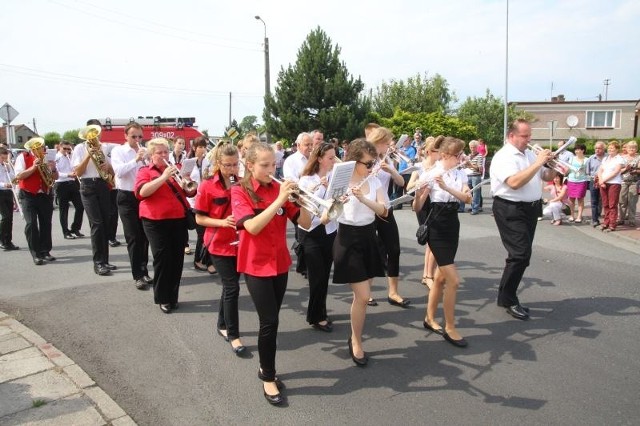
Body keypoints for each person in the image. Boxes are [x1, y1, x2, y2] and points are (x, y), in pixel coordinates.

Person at [231, 142, 312, 405]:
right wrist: (279, 199)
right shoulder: (239, 191)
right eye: (264, 165)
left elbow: (304, 223)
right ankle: (268, 376)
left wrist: (305, 200)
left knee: (273, 318)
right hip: (255, 264)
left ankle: (265, 367)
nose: (270, 169)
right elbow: (252, 227)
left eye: (273, 164)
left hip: (279, 263)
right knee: (269, 321)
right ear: (250, 165)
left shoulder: (278, 188)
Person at [490, 119, 555, 320]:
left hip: (530, 208)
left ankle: (504, 295)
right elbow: (515, 182)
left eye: (529, 135)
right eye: (524, 136)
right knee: (520, 254)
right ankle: (508, 299)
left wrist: (552, 165)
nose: (529, 140)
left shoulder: (528, 154)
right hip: (510, 207)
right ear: (511, 136)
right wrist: (538, 162)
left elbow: (546, 176)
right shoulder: (504, 156)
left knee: (521, 254)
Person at [332, 139, 388, 367]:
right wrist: (338, 201)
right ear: (354, 162)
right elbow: (327, 213)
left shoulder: (374, 181)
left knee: (361, 299)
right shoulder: (340, 182)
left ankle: (355, 336)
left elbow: (384, 210)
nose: (372, 166)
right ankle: (356, 340)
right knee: (364, 296)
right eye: (368, 163)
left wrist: (364, 198)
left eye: (373, 162)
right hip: (347, 239)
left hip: (369, 238)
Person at [413, 136, 471, 347]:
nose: (460, 158)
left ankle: (429, 318)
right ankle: (450, 327)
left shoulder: (460, 173)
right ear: (446, 155)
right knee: (453, 280)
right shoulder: (432, 173)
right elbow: (417, 207)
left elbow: (467, 199)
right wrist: (421, 191)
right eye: (457, 155)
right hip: (436, 226)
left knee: (439, 279)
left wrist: (447, 188)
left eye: (461, 154)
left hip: (452, 224)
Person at [195, 143, 246, 355]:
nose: (232, 169)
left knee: (229, 287)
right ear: (218, 164)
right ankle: (234, 335)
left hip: (239, 243)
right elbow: (199, 217)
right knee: (233, 287)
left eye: (235, 165)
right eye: (227, 165)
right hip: (217, 243)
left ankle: (222, 324)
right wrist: (222, 222)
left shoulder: (241, 183)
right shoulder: (207, 185)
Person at [136, 138, 196, 313]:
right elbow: (142, 192)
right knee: (162, 258)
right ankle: (163, 298)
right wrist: (163, 177)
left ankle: (173, 296)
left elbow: (187, 191)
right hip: (154, 220)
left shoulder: (175, 169)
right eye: (159, 153)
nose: (163, 156)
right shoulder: (145, 171)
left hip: (177, 218)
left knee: (177, 259)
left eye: (165, 152)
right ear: (151, 155)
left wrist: (190, 186)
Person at [298, 142, 338, 332]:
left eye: (334, 156)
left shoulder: (334, 176)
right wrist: (317, 187)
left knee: (324, 275)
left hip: (329, 229)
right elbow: (303, 203)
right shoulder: (306, 179)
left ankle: (320, 312)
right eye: (330, 157)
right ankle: (316, 316)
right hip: (311, 231)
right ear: (320, 159)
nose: (333, 160)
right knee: (317, 276)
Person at [368, 127, 409, 307]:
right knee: (370, 251)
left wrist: (391, 171)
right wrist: (373, 172)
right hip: (368, 210)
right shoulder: (366, 159)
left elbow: (401, 182)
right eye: (387, 142)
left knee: (394, 249)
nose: (389, 145)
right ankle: (366, 292)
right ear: (379, 142)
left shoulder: (387, 159)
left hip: (385, 208)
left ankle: (393, 292)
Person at [73, 121, 117, 276]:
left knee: (105, 223)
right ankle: (98, 263)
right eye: (91, 133)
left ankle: (104, 261)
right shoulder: (79, 148)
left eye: (96, 133)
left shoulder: (104, 147)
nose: (94, 136)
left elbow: (112, 169)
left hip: (103, 184)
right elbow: (77, 172)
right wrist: (88, 155)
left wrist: (108, 166)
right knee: (97, 224)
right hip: (87, 186)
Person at [111, 122, 152, 290]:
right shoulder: (118, 151)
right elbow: (119, 172)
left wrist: (148, 159)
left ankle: (144, 269)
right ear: (126, 136)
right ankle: (137, 275)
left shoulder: (145, 151)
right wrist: (136, 160)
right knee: (133, 237)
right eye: (133, 136)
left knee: (144, 236)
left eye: (140, 136)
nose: (137, 139)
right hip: (126, 196)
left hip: (143, 196)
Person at [14, 138, 58, 265]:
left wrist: (53, 168)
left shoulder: (47, 158)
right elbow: (19, 176)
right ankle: (36, 253)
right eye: (38, 147)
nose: (41, 149)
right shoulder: (23, 157)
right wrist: (34, 167)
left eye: (42, 147)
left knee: (46, 223)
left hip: (44, 194)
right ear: (32, 148)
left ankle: (45, 251)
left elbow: (55, 177)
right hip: (28, 194)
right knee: (31, 224)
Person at [407, 136, 441, 288]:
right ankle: (428, 274)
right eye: (435, 151)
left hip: (437, 203)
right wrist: (419, 183)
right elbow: (408, 187)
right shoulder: (419, 166)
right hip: (423, 202)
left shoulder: (441, 166)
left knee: (433, 241)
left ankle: (428, 274)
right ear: (428, 151)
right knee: (430, 239)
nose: (439, 153)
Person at [283, 132, 313, 277]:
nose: (310, 147)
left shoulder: (314, 159)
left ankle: (306, 264)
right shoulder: (291, 161)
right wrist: (305, 176)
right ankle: (304, 265)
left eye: (311, 144)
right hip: (299, 201)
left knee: (311, 233)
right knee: (301, 235)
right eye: (307, 144)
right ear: (298, 145)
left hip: (313, 200)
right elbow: (291, 181)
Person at [188, 137, 215, 274]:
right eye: (200, 147)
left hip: (206, 200)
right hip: (193, 202)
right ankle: (198, 260)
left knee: (208, 233)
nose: (203, 149)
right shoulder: (188, 163)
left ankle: (207, 261)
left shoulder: (208, 162)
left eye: (204, 147)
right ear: (194, 148)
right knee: (201, 234)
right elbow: (185, 180)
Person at [596, 141, 624, 232]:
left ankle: (612, 224)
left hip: (614, 183)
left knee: (612, 205)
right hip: (603, 183)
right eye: (609, 148)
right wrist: (600, 180)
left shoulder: (619, 159)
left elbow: (616, 172)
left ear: (617, 149)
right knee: (605, 204)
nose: (610, 150)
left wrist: (603, 180)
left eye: (612, 148)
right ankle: (606, 222)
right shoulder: (605, 158)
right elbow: (600, 170)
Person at [0, 147, 19, 251]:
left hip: (8, 192)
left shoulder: (7, 166)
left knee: (10, 218)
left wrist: (9, 170)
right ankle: (2, 240)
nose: (4, 160)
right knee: (5, 217)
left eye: (5, 158)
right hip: (0, 192)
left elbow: (13, 178)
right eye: (2, 158)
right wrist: (4, 184)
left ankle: (8, 241)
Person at [565, 143, 589, 223]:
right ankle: (572, 215)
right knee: (571, 199)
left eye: (578, 149)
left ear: (583, 150)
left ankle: (579, 216)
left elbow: (588, 171)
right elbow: (567, 169)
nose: (576, 151)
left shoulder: (586, 160)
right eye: (575, 149)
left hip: (582, 181)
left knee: (580, 199)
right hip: (571, 180)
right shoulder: (572, 159)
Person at [618, 141, 639, 227]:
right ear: (626, 149)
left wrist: (635, 171)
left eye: (633, 148)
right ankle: (621, 219)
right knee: (622, 201)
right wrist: (625, 169)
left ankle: (632, 220)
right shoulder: (622, 158)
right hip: (623, 182)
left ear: (636, 149)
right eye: (629, 147)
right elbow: (617, 170)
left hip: (634, 182)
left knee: (632, 202)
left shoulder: (639, 158)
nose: (631, 149)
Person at [586, 141, 606, 227]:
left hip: (605, 181)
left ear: (603, 149)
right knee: (594, 201)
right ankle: (595, 219)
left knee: (604, 201)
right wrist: (593, 178)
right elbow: (587, 171)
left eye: (599, 148)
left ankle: (604, 218)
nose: (597, 150)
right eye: (596, 148)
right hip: (593, 181)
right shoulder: (591, 158)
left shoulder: (608, 158)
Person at [466, 140, 485, 215]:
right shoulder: (469, 156)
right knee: (471, 193)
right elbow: (466, 166)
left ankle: (475, 208)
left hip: (476, 176)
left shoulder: (480, 156)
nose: (472, 149)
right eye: (471, 147)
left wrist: (470, 165)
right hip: (469, 175)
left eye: (474, 147)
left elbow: (479, 168)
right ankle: (473, 206)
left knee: (476, 193)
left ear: (477, 147)